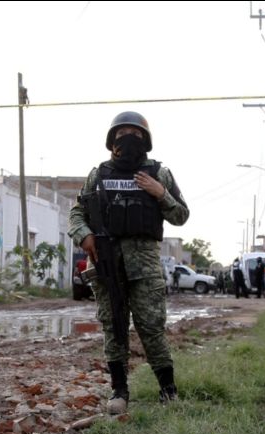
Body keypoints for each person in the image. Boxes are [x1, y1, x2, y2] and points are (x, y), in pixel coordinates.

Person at [68, 111, 189, 415]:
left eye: (135, 134)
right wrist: (84, 237)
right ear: (112, 142)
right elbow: (77, 213)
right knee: (114, 327)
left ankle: (168, 390)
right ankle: (119, 392)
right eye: (122, 134)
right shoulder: (99, 175)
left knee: (151, 328)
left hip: (145, 267)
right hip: (107, 263)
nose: (128, 138)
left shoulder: (159, 174)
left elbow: (181, 216)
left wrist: (161, 194)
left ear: (145, 140)